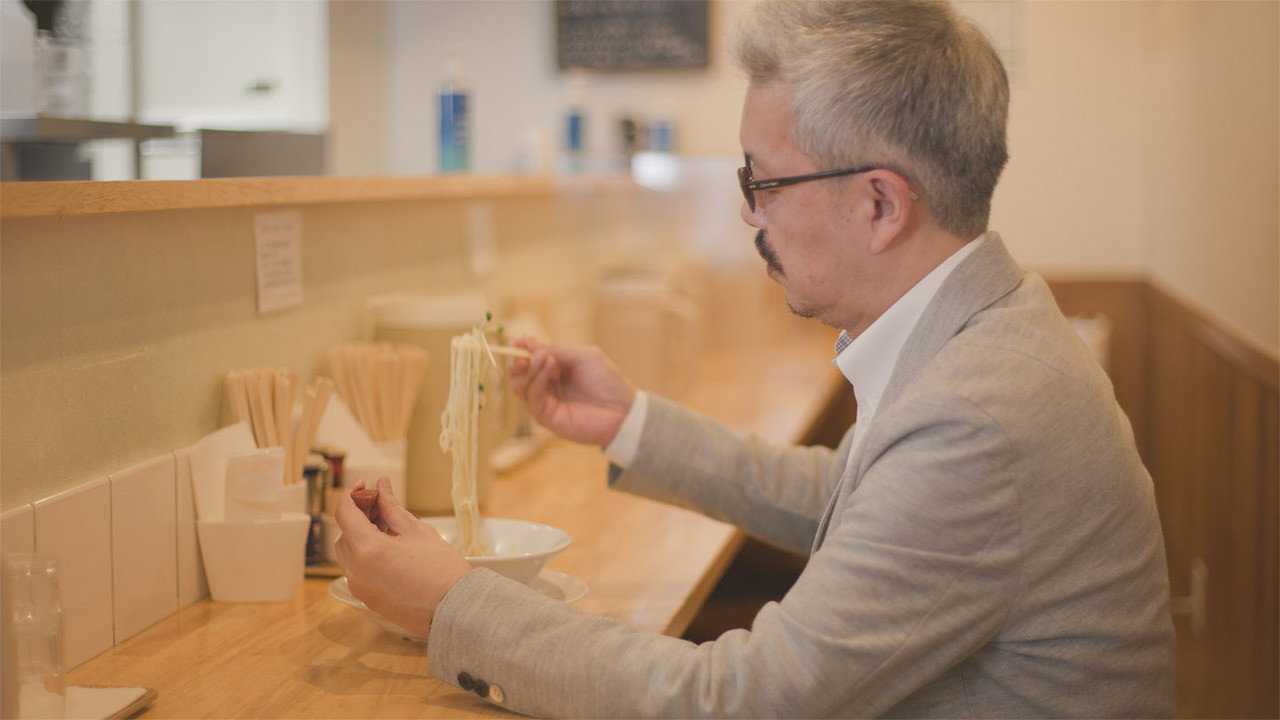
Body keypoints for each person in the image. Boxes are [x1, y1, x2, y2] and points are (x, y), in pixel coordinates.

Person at [334, 1, 1176, 716]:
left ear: (881, 204)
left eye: (763, 181)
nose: (749, 216)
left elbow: (741, 699)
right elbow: (847, 501)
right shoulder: (985, 330)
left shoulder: (981, 416)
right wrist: (631, 425)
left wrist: (451, 601)